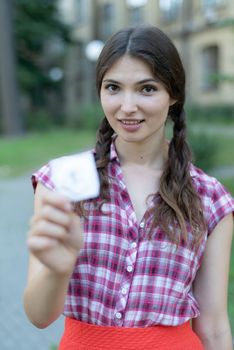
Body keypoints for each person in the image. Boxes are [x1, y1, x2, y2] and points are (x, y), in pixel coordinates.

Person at [24, 25, 234, 350]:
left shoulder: (210, 198)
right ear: (100, 91)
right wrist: (58, 268)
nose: (127, 106)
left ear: (174, 95)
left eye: (146, 89)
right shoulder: (62, 182)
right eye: (113, 88)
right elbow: (38, 317)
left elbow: (215, 328)